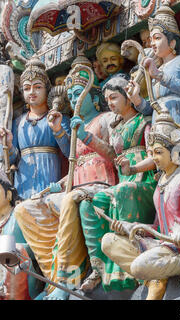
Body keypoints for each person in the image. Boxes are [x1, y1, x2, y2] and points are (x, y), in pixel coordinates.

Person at [14, 62, 118, 300]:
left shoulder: (106, 118)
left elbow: (115, 154)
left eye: (79, 94)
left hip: (99, 183)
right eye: (71, 95)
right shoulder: (73, 126)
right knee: (24, 210)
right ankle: (52, 276)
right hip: (69, 183)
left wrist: (81, 135)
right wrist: (57, 185)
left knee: (70, 201)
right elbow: (73, 165)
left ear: (94, 99)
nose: (75, 100)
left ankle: (66, 278)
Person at [102, 110, 180, 300]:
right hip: (162, 244)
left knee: (139, 266)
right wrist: (131, 227)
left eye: (158, 152)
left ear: (174, 152)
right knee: (109, 241)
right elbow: (158, 228)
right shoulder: (160, 184)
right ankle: (156, 277)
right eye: (152, 153)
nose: (154, 158)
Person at [84, 75, 157, 292]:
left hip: (145, 180)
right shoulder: (115, 128)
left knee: (123, 191)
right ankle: (103, 267)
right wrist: (84, 137)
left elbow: (157, 157)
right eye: (107, 101)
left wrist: (134, 167)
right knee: (95, 201)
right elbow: (109, 153)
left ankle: (129, 263)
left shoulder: (145, 121)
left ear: (127, 95)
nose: (111, 103)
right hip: (124, 181)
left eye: (114, 97)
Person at [0, 58, 71, 199]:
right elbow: (13, 159)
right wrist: (8, 144)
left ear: (47, 90)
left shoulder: (59, 117)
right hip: (24, 178)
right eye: (27, 88)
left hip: (50, 173)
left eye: (38, 87)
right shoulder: (18, 122)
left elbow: (71, 151)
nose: (32, 92)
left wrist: (57, 130)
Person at [128, 3, 180, 128]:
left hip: (178, 121)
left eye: (157, 38)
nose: (152, 44)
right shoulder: (157, 69)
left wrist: (160, 76)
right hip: (157, 126)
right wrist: (136, 99)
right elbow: (152, 108)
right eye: (151, 40)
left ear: (172, 42)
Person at [0, 171, 40, 300]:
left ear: (9, 194)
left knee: (14, 250)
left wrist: (16, 249)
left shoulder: (19, 215)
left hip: (22, 271)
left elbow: (39, 247)